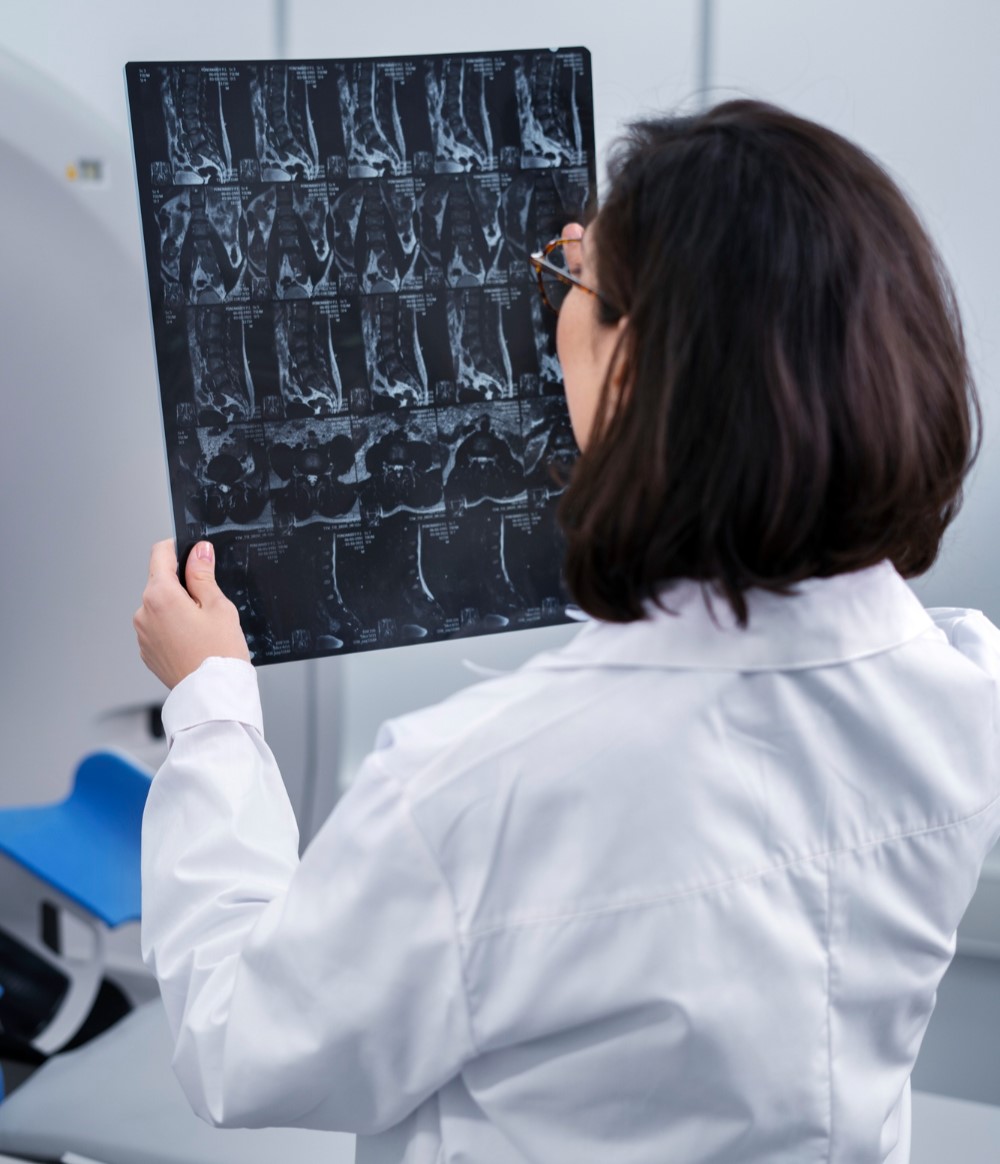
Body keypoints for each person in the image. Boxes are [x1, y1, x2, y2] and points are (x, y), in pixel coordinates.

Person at [133, 101, 1000, 1164]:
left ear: (631, 369)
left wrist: (212, 708)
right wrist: (631, 291)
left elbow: (237, 1043)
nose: (560, 316)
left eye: (576, 300)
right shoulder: (956, 690)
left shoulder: (485, 787)